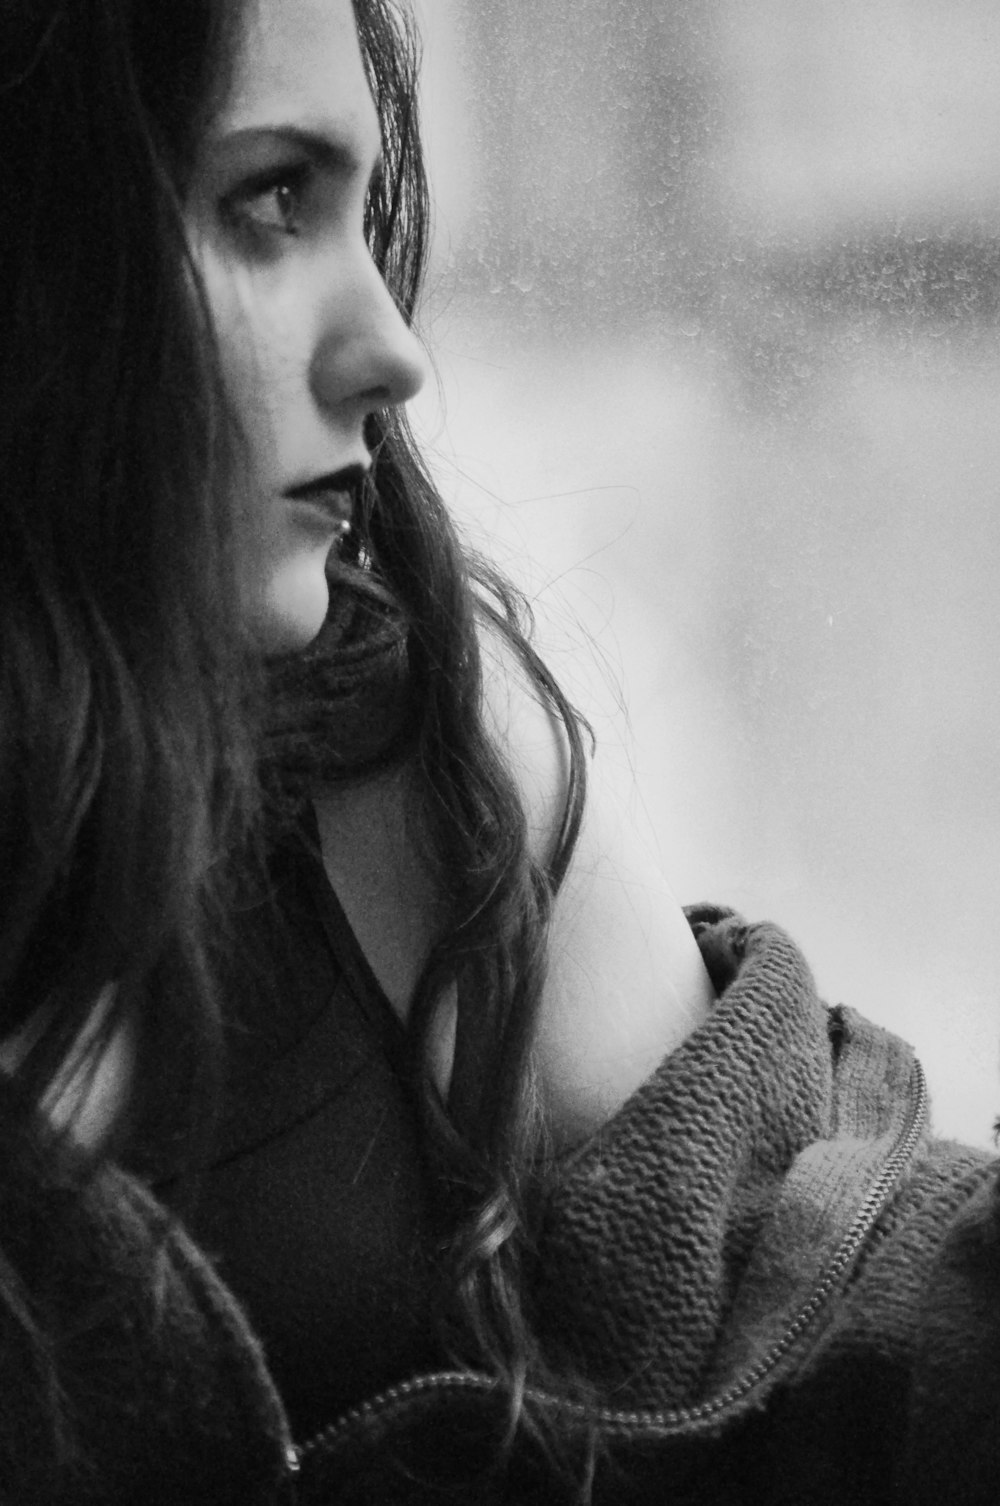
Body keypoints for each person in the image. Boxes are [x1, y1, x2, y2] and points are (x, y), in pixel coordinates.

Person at [0, 1, 996, 1503]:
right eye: (270, 200)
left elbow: (813, 1296)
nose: (390, 350)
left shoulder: (409, 778)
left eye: (356, 206)